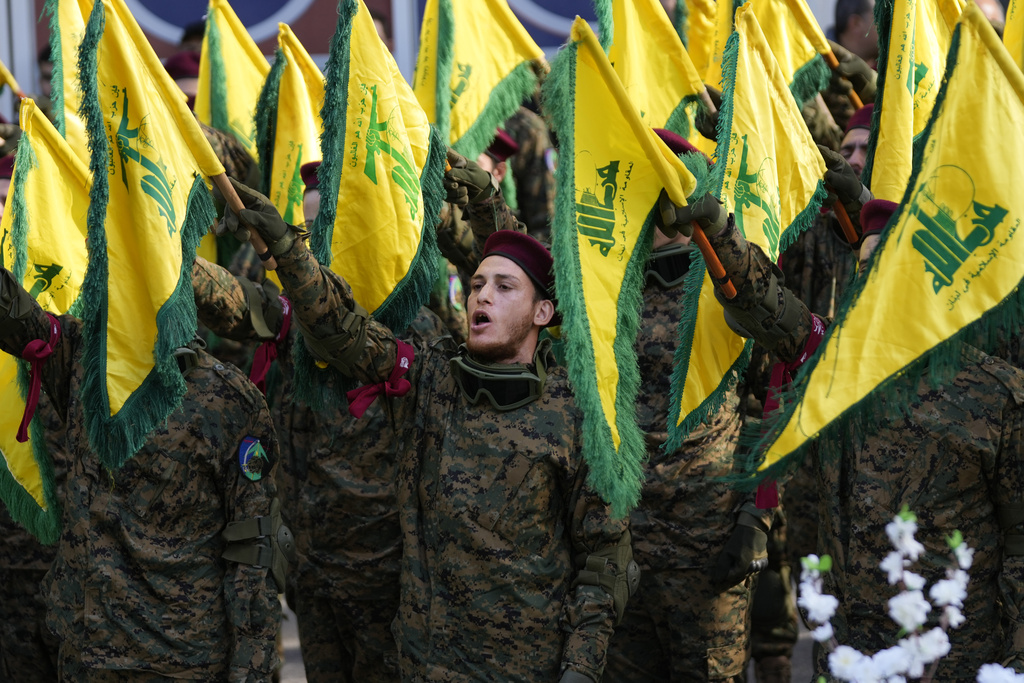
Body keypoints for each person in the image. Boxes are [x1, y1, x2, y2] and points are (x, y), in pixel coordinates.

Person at [216, 160, 636, 682]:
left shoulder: (575, 416)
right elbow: (341, 332)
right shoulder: (432, 377)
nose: (482, 294)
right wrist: (288, 251)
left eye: (504, 288)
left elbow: (604, 561)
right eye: (478, 282)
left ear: (543, 314)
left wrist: (581, 670)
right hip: (423, 665)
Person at [657, 171, 1024, 680]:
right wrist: (720, 230)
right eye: (864, 266)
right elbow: (766, 304)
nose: (870, 280)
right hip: (850, 655)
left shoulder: (994, 394)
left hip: (954, 660)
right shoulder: (832, 364)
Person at [0, 265, 288, 680]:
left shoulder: (226, 399)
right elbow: (18, 322)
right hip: (90, 655)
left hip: (180, 662)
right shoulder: (88, 368)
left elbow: (254, 556)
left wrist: (252, 672)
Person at [604, 130, 772, 683]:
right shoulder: (608, 289)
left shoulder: (733, 285)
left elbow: (780, 403)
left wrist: (757, 518)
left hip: (708, 545)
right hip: (624, 545)